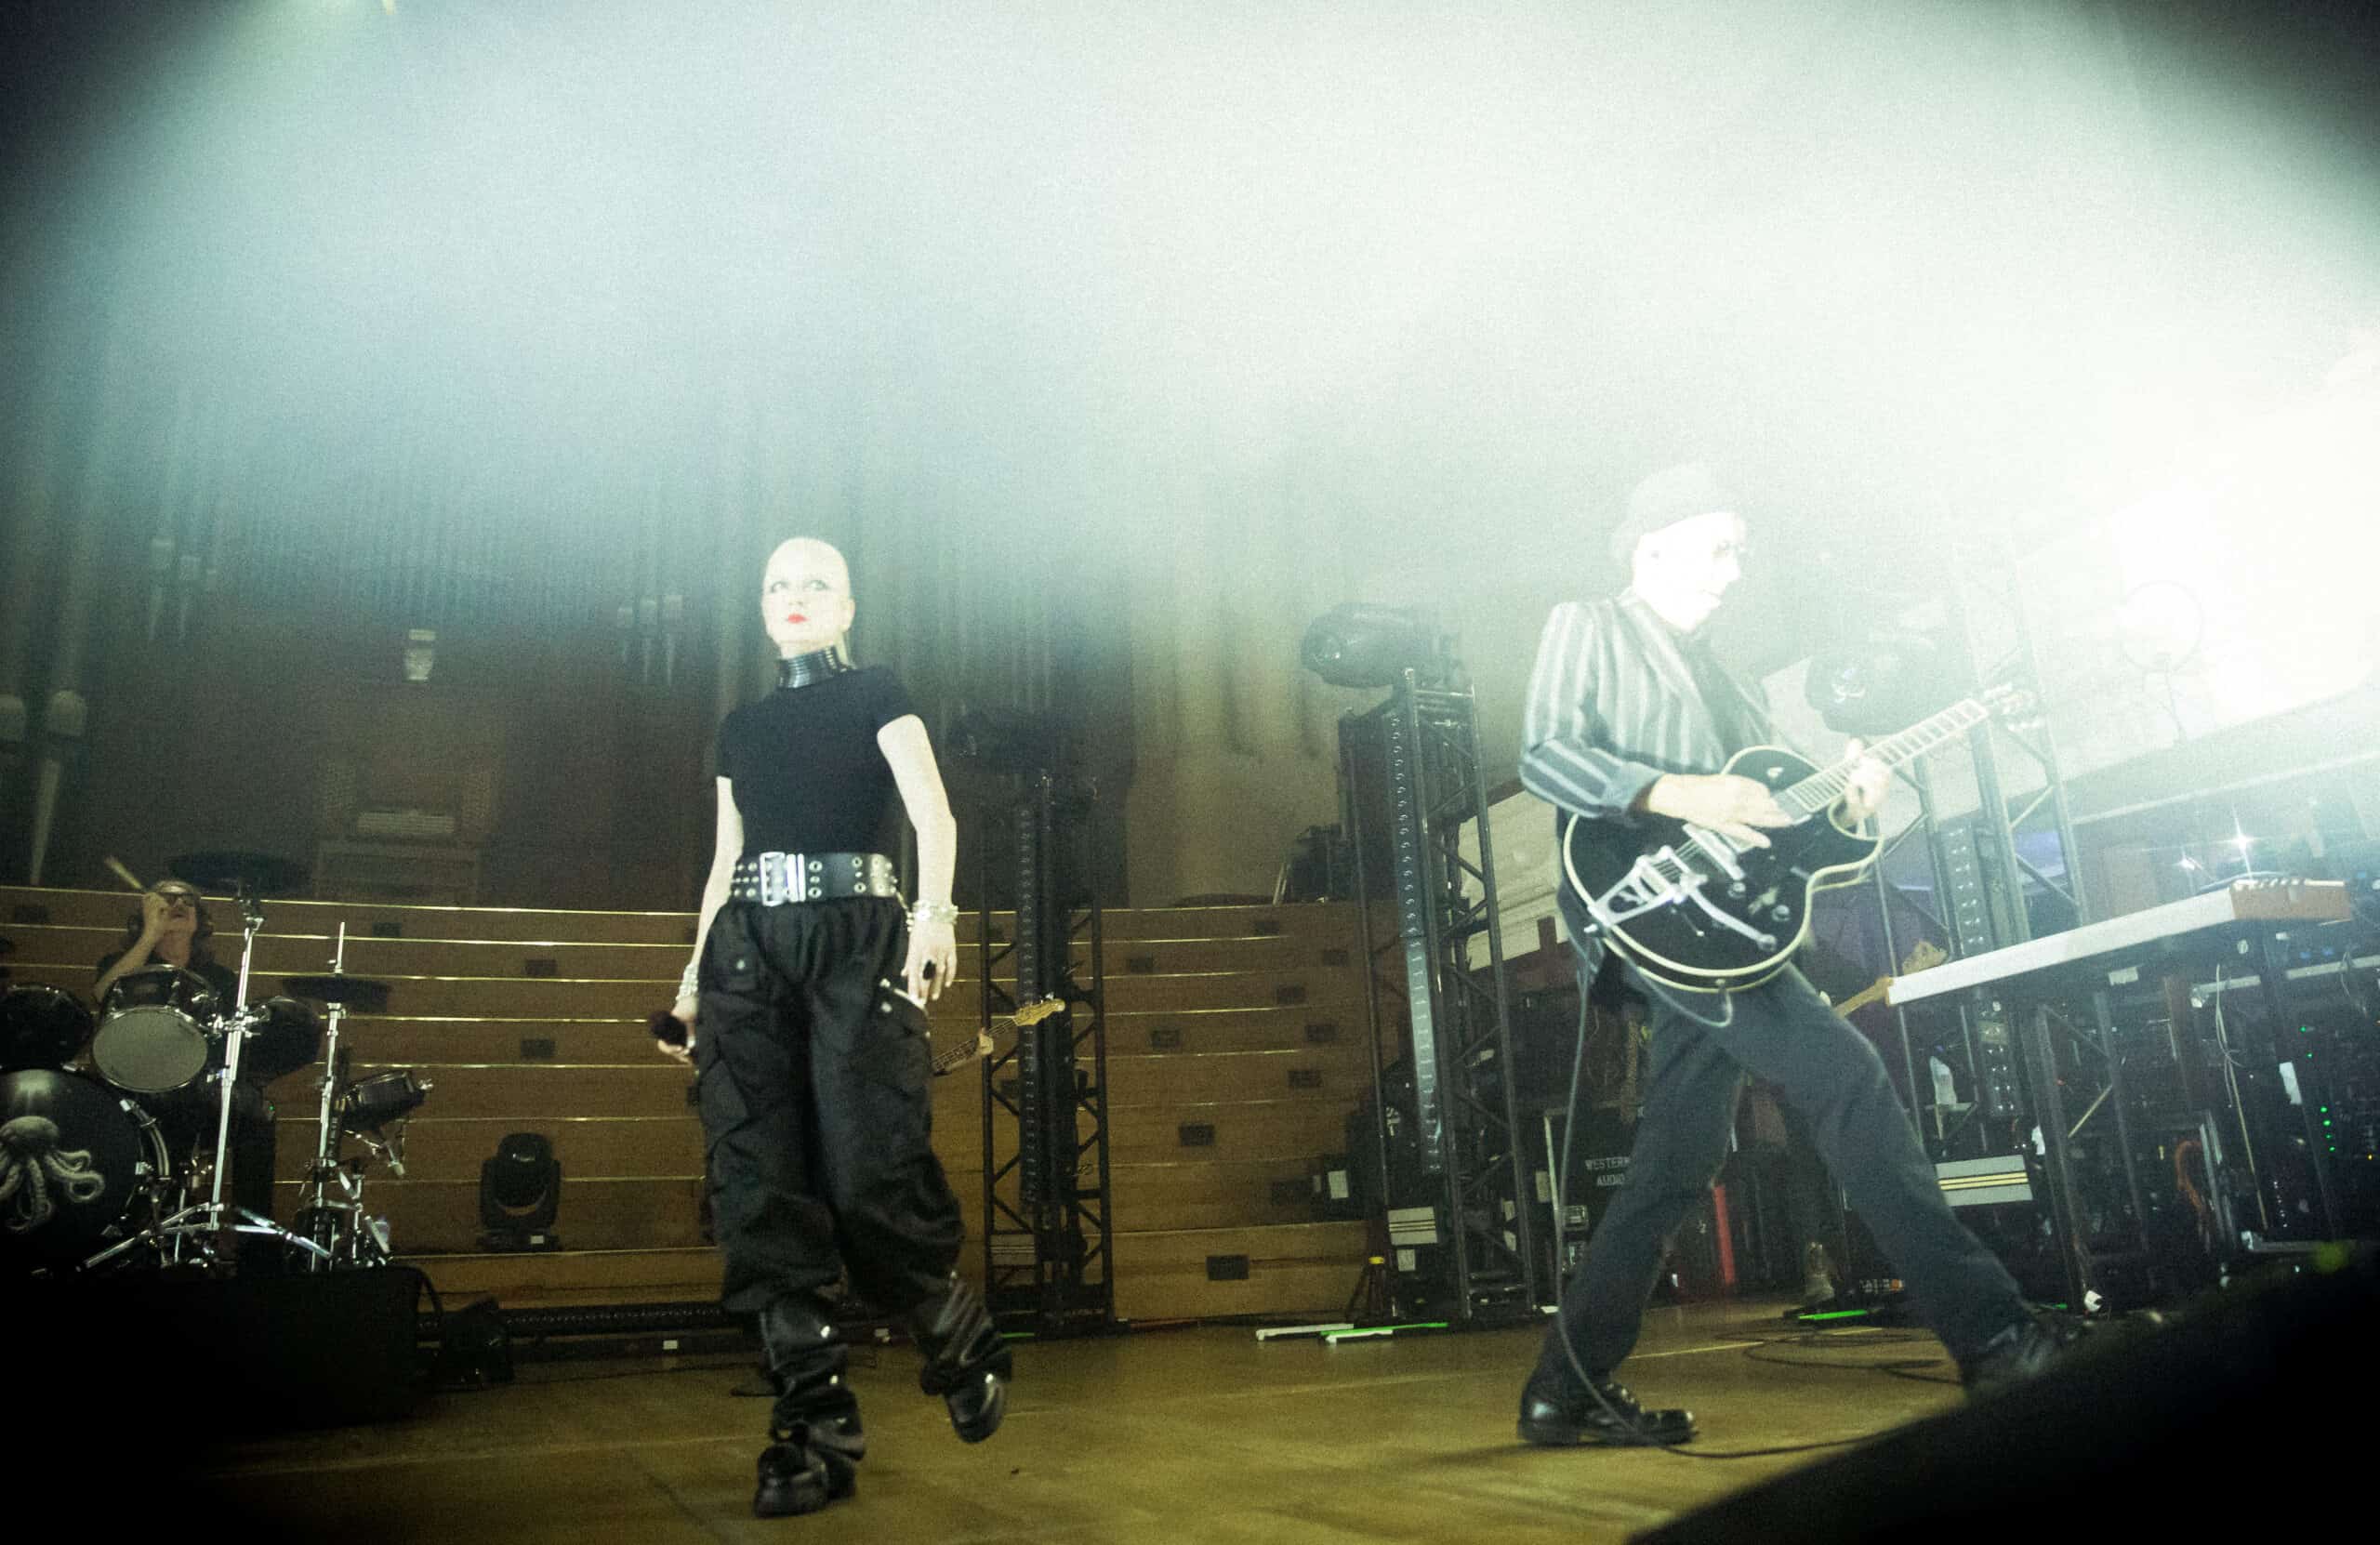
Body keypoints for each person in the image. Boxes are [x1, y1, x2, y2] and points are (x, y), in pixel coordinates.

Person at [1514, 463, 2064, 1447]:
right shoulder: (1588, 626)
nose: (1734, 569)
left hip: (1724, 932)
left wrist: (1853, 804)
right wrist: (1680, 794)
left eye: (1740, 550)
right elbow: (1546, 755)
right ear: (1652, 546)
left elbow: (1789, 826)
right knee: (1848, 1080)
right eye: (1717, 547)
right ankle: (1996, 1339)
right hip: (1648, 909)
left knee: (1677, 1162)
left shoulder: (1728, 679)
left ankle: (1565, 1389)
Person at [656, 537, 1008, 1518]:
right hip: (747, 950)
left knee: (866, 1163)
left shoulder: (877, 693)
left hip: (858, 936)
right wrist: (689, 984)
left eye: (816, 584)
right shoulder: (740, 728)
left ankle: (954, 1333)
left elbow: (933, 815)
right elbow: (725, 860)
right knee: (755, 1181)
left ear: (847, 607)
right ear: (763, 608)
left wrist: (935, 917)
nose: (796, 596)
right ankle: (813, 1428)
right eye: (778, 585)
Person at [93, 880, 283, 1243]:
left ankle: (258, 1246)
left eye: (188, 901)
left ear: (200, 921)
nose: (179, 904)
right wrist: (150, 935)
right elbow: (103, 994)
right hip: (132, 1089)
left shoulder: (220, 979)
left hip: (197, 1089)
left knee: (259, 1113)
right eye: (167, 899)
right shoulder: (123, 965)